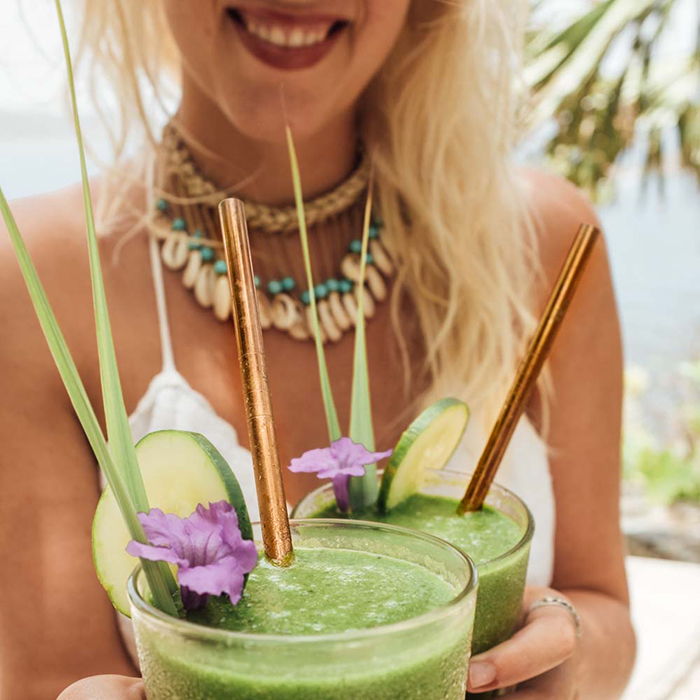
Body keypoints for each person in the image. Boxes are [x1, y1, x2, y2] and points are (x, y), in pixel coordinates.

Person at [0, 1, 635, 698]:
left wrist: (567, 656)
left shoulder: (545, 245)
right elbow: (50, 679)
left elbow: (603, 609)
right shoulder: (30, 283)